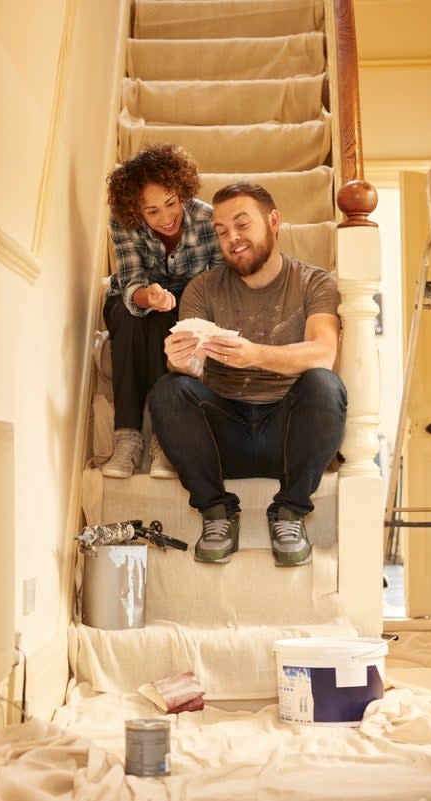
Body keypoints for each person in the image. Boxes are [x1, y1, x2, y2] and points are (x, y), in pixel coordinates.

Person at [150, 182, 346, 567]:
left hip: (290, 437)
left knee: (325, 384)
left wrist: (255, 355)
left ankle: (290, 513)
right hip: (225, 438)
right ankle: (217, 513)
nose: (232, 239)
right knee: (168, 389)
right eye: (221, 232)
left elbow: (323, 352)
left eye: (242, 225)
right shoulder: (202, 288)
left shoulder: (315, 282)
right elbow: (193, 370)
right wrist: (180, 360)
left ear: (273, 222)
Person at [100, 143, 224, 479]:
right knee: (131, 318)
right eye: (152, 211)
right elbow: (130, 284)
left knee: (169, 324)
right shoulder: (121, 223)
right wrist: (149, 296)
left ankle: (163, 441)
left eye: (171, 203)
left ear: (182, 190)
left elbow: (216, 284)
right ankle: (127, 438)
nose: (166, 217)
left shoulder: (208, 219)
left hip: (188, 303)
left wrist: (180, 306)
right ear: (135, 211)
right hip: (135, 300)